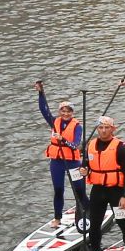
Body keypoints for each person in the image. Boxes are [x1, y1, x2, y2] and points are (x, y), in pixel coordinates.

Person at [78, 115, 125, 251]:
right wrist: (84, 169)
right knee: (94, 226)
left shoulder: (121, 149)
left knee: (124, 225)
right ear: (97, 129)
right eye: (101, 127)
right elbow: (85, 164)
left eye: (107, 127)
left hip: (117, 193)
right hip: (98, 190)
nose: (103, 130)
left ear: (113, 129)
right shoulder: (90, 145)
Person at [34, 81, 88, 226]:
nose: (65, 114)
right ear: (60, 112)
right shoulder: (54, 122)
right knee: (58, 190)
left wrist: (62, 139)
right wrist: (40, 92)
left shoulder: (77, 127)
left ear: (72, 113)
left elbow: (75, 144)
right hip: (57, 162)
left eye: (68, 111)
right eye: (63, 111)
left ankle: (88, 213)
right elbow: (43, 109)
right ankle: (57, 218)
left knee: (80, 191)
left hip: (72, 162)